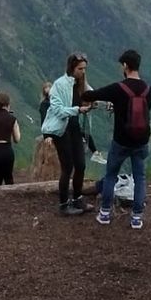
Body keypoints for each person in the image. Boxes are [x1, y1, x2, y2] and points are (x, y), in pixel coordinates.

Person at [85, 49, 151, 231]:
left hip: (121, 141)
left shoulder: (118, 89)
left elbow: (92, 95)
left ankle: (105, 213)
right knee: (139, 177)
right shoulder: (149, 90)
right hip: (141, 142)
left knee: (110, 175)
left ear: (125, 66)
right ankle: (137, 218)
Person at [41, 53, 92, 214]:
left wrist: (100, 102)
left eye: (84, 69)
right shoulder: (59, 84)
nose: (83, 72)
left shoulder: (82, 84)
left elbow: (92, 95)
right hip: (61, 130)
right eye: (80, 68)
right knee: (67, 166)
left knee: (81, 165)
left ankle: (77, 199)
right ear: (72, 68)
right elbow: (57, 110)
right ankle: (64, 204)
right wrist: (77, 110)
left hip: (75, 128)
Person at [29, 81, 60, 183]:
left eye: (49, 87)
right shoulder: (45, 104)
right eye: (46, 88)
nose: (48, 89)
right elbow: (44, 119)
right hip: (50, 131)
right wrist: (47, 134)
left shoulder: (54, 102)